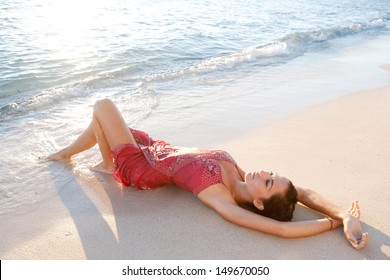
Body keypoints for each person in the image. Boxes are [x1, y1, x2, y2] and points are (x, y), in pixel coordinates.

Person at [42, 98, 369, 249]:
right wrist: (342, 215)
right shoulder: (241, 176)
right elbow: (304, 193)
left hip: (139, 168)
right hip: (155, 148)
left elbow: (281, 231)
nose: (265, 172)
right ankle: (64, 156)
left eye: (268, 181)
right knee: (107, 124)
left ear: (258, 203)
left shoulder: (222, 199)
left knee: (103, 106)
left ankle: (110, 165)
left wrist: (329, 227)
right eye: (273, 173)